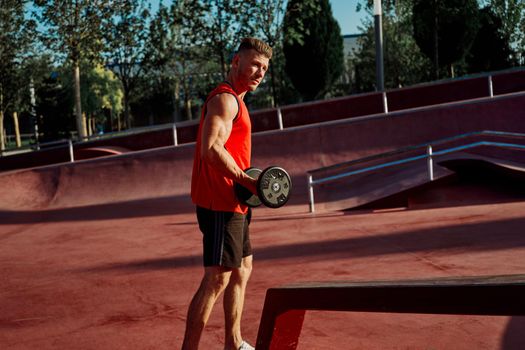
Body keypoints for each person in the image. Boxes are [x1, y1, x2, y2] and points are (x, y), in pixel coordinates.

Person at [182, 38, 272, 350]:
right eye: (254, 64)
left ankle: (233, 343)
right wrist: (246, 181)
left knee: (243, 269)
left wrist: (247, 185)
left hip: (236, 201)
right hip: (220, 200)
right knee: (217, 278)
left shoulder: (239, 101)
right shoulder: (226, 100)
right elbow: (210, 150)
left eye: (264, 68)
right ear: (236, 62)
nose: (260, 72)